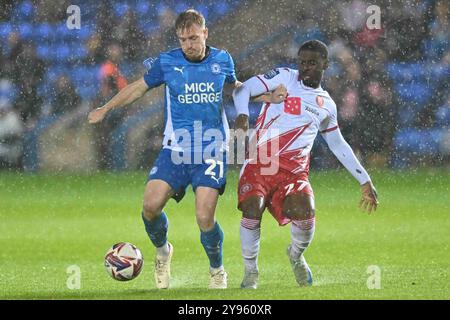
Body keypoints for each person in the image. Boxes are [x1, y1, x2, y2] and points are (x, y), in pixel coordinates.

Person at [88, 9, 240, 289]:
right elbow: (137, 88)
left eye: (193, 38)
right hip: (175, 150)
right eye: (183, 39)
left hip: (211, 149)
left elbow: (235, 87)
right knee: (150, 207)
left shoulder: (222, 59)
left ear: (205, 33)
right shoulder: (167, 62)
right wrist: (107, 107)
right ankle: (162, 251)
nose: (189, 44)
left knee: (205, 217)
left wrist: (265, 93)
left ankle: (217, 270)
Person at [232, 40, 379, 289]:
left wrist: (365, 180)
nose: (306, 68)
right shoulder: (284, 77)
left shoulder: (327, 105)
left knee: (306, 214)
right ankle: (251, 272)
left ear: (326, 65)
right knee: (251, 209)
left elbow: (338, 145)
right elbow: (241, 90)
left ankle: (296, 255)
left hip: (294, 172)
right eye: (302, 62)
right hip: (260, 162)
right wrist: (243, 117)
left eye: (312, 63)